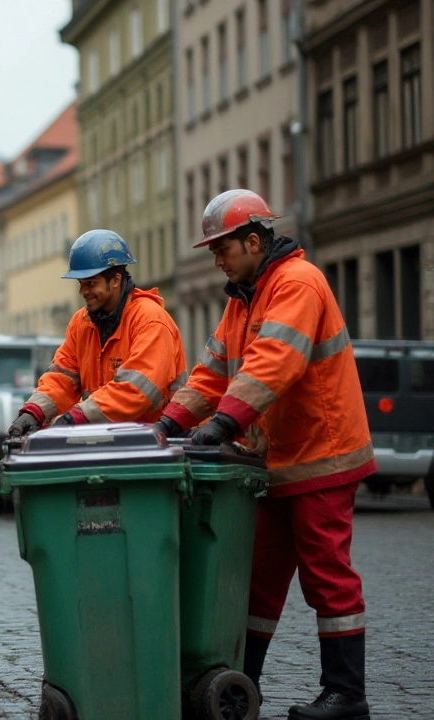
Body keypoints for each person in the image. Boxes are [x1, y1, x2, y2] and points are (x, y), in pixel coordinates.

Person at [156, 189, 374, 720]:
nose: (216, 259)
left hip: (322, 453)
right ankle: (238, 682)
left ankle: (347, 695)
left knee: (326, 573)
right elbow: (209, 373)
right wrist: (167, 424)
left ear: (254, 241)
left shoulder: (297, 284)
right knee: (255, 580)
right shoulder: (243, 299)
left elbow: (275, 361)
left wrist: (226, 422)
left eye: (222, 248)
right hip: (275, 460)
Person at [7, 229, 187, 439]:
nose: (83, 291)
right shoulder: (81, 323)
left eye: (91, 283)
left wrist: (75, 418)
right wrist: (33, 412)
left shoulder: (150, 319)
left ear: (115, 280)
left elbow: (137, 390)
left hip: (161, 444)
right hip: (112, 442)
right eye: (81, 284)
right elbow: (62, 379)